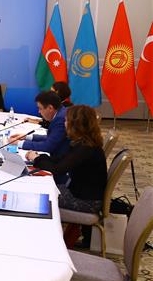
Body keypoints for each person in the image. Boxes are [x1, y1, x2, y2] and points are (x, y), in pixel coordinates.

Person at [28, 105, 106, 247]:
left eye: (66, 120)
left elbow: (58, 170)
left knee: (39, 197)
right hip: (80, 192)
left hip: (86, 201)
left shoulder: (85, 148)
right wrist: (39, 157)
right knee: (40, 189)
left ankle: (41, 243)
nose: (64, 123)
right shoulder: (84, 142)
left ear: (75, 124)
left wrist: (36, 159)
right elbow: (60, 161)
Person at [11, 90, 71, 160]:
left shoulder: (60, 119)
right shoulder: (61, 112)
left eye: (40, 108)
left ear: (50, 108)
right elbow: (52, 138)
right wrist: (26, 137)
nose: (39, 112)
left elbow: (48, 146)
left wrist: (20, 143)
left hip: (61, 160)